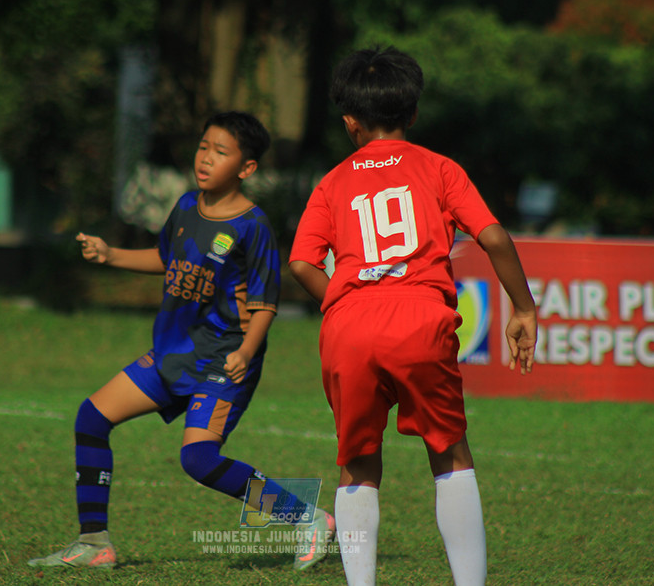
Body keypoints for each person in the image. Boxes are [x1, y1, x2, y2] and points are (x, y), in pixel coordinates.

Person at [29, 111, 333, 571]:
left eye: (221, 152)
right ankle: (95, 545)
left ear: (246, 168)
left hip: (222, 361)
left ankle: (308, 518)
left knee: (197, 459)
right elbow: (165, 258)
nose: (206, 158)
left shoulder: (254, 227)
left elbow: (266, 301)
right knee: (91, 418)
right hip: (172, 354)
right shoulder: (188, 206)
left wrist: (246, 351)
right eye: (203, 147)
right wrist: (110, 254)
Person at [288, 47, 538, 586]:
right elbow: (492, 236)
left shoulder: (332, 182)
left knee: (357, 464)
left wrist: (344, 302)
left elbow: (302, 262)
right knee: (449, 451)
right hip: (421, 320)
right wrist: (523, 307)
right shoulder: (440, 168)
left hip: (349, 325)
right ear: (414, 114)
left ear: (350, 122)